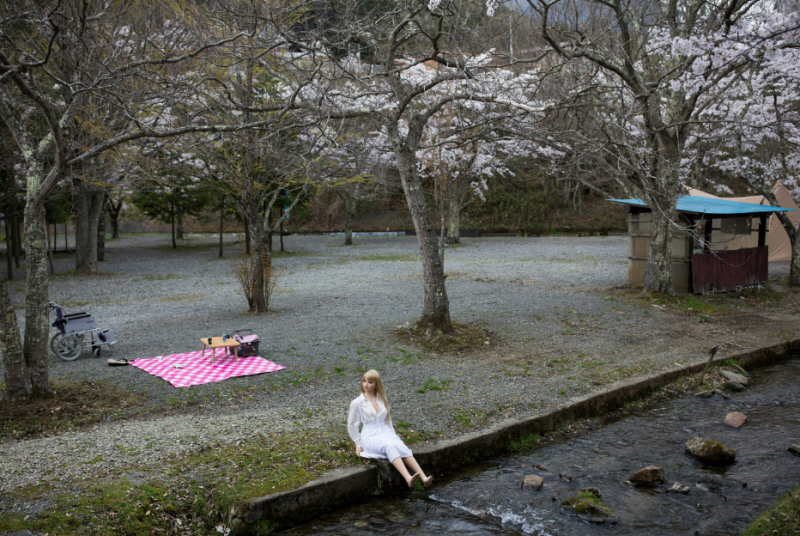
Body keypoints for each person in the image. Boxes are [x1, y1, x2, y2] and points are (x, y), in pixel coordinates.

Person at [347, 370, 433, 488]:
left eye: (370, 382)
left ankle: (424, 478)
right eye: (364, 381)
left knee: (399, 446)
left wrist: (393, 435)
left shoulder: (382, 398)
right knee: (389, 446)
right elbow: (352, 425)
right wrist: (358, 443)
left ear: (376, 384)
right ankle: (408, 478)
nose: (366, 385)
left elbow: (388, 420)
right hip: (370, 436)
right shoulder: (357, 403)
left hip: (385, 432)